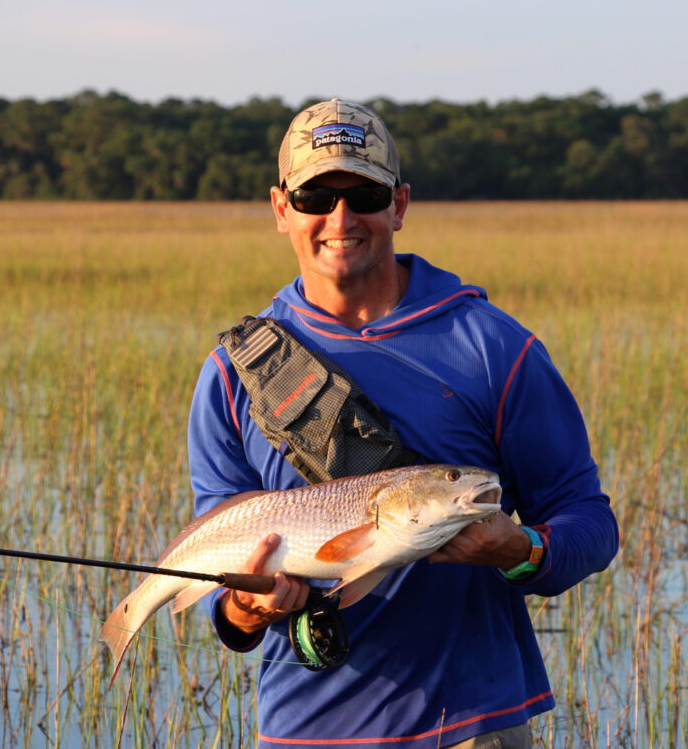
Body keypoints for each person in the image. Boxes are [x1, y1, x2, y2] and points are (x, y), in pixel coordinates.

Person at [188, 98, 619, 749]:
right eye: (314, 196)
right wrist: (247, 604)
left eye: (362, 191)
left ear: (399, 203)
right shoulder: (231, 373)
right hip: (303, 734)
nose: (340, 217)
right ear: (281, 208)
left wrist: (522, 551)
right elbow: (227, 595)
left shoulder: (493, 345)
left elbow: (590, 520)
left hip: (473, 730)